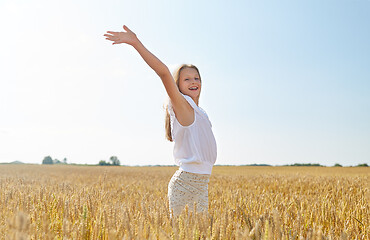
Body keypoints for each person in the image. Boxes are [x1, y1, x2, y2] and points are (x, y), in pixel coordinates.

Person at [104, 25, 217, 216]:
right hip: (185, 184)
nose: (193, 82)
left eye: (196, 78)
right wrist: (136, 43)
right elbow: (164, 72)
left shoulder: (201, 113)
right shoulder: (183, 106)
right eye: (187, 79)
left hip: (202, 183)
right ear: (177, 87)